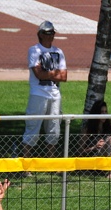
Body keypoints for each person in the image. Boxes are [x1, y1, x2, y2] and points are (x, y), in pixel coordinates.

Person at [22, 21, 68, 164]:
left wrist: (46, 72)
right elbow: (39, 75)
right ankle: (26, 164)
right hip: (38, 94)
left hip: (55, 95)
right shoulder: (34, 50)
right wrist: (54, 73)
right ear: (40, 34)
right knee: (33, 127)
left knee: (54, 129)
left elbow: (64, 77)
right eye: (48, 33)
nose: (51, 36)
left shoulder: (59, 52)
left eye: (52, 33)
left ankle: (50, 163)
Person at [81, 99, 111, 178]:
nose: (104, 114)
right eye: (101, 112)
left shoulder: (110, 127)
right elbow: (80, 152)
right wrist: (95, 147)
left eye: (105, 112)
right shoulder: (88, 129)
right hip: (96, 158)